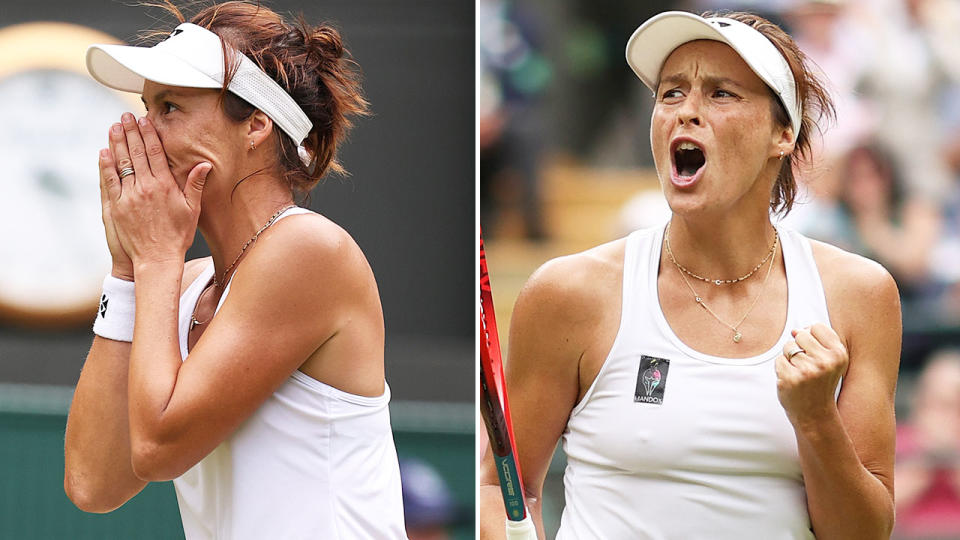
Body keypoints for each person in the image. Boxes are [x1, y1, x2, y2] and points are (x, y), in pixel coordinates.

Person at [479, 10, 901, 539]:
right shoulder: (569, 293)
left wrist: (816, 420)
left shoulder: (860, 295)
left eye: (722, 94)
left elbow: (864, 534)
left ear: (783, 133)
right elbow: (500, 489)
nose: (686, 112)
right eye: (671, 93)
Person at [63, 2, 406, 538]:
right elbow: (92, 484)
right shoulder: (179, 282)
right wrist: (128, 270)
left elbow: (156, 449)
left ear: (256, 126)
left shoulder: (307, 249)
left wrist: (154, 259)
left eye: (170, 108)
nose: (143, 135)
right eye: (146, 107)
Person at [895, 350, 960, 539]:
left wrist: (950, 460)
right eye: (937, 403)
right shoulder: (897, 439)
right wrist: (924, 462)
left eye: (954, 404)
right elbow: (878, 507)